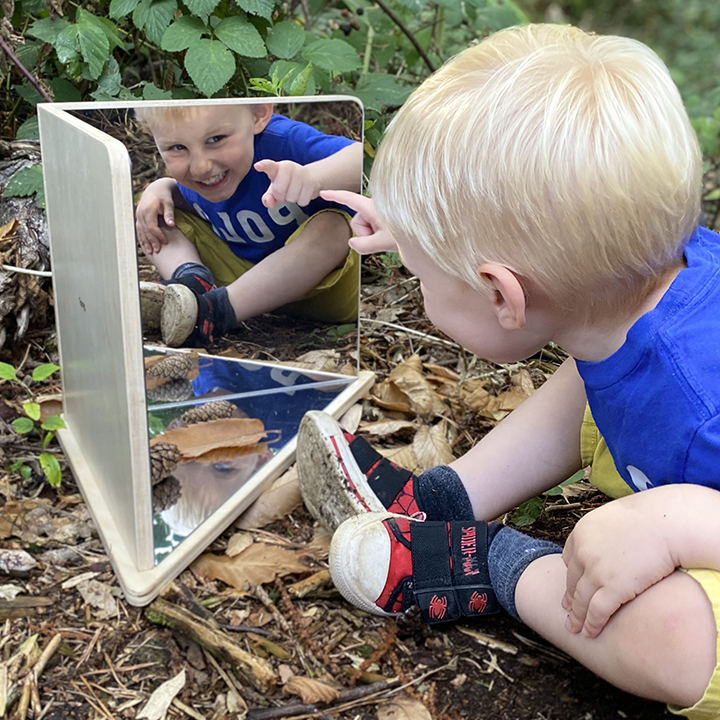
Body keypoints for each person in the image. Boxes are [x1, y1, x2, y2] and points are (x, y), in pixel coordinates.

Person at [295, 24, 720, 719]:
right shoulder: (649, 277)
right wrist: (420, 230)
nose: (417, 287)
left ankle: (497, 565)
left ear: (501, 295)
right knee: (595, 364)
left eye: (421, 277)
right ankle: (443, 499)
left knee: (676, 641)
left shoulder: (704, 400)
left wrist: (683, 524)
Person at [134, 103, 363, 347]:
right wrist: (162, 188)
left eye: (216, 139)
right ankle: (192, 285)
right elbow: (179, 202)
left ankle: (213, 313)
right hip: (239, 284)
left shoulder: (282, 141)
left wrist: (315, 177)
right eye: (177, 148)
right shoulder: (197, 179)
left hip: (324, 288)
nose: (200, 167)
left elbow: (362, 158)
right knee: (155, 213)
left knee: (333, 226)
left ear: (258, 116)